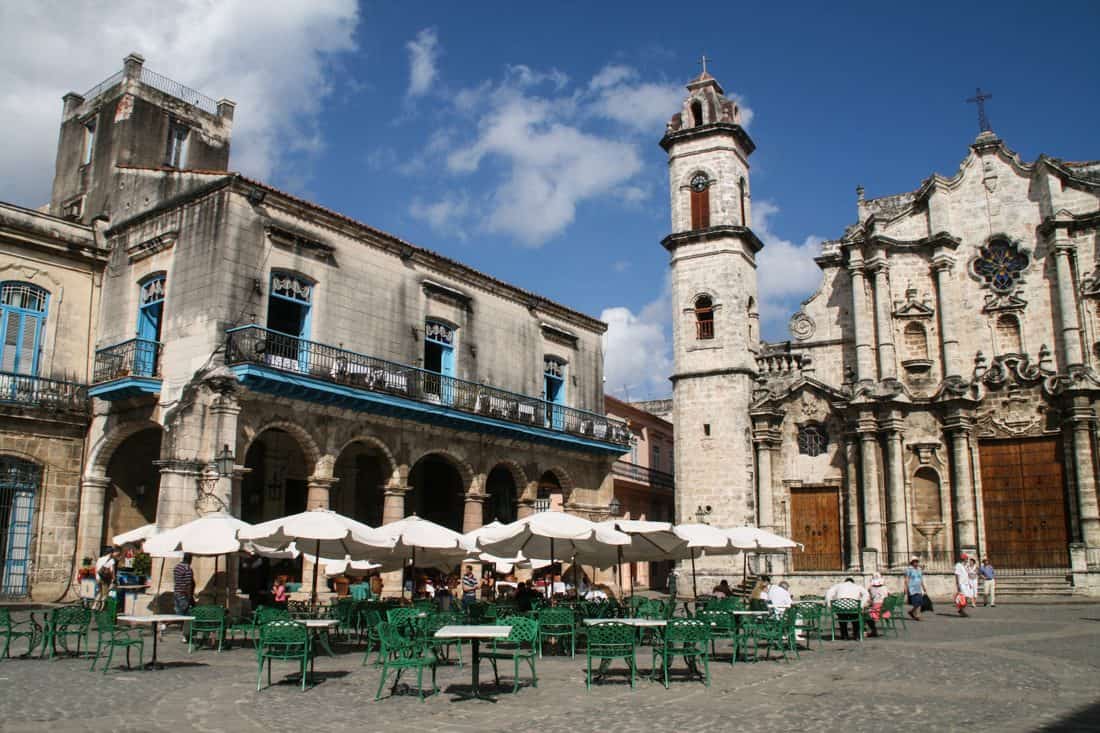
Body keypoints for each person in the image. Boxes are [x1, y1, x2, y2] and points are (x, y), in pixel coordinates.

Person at [173, 554, 196, 642]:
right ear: (190, 559)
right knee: (188, 616)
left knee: (179, 615)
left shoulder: (177, 567)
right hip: (184, 595)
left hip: (176, 593)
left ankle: (183, 634)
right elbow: (188, 584)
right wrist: (190, 598)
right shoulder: (187, 568)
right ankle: (186, 635)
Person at [94, 546, 118, 611]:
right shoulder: (111, 560)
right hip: (105, 579)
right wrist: (113, 579)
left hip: (98, 577)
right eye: (112, 552)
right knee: (105, 593)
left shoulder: (100, 559)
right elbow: (112, 570)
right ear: (110, 553)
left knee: (99, 592)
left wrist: (97, 577)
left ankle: (94, 605)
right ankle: (102, 607)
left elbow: (96, 569)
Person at [953, 553, 971, 617]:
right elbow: (957, 575)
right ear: (963, 559)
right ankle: (962, 610)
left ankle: (961, 609)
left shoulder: (966, 565)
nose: (967, 560)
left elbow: (967, 575)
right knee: (963, 597)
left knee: (967, 597)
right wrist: (958, 584)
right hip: (961, 584)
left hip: (966, 583)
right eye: (966, 558)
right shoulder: (958, 565)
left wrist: (969, 583)